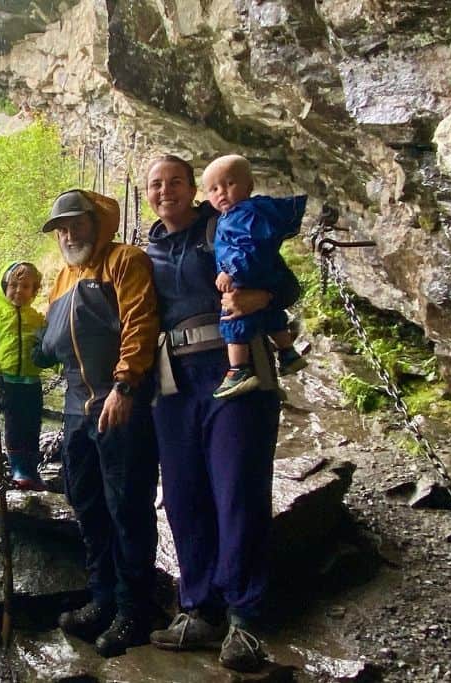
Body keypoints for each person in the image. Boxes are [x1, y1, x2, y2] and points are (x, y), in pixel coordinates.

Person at [144, 155, 300, 673]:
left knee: (237, 490)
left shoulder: (226, 228)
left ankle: (245, 618)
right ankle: (200, 607)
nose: (165, 191)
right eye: (155, 184)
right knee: (185, 496)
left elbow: (285, 282)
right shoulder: (146, 250)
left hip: (234, 369)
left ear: (194, 189)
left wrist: (264, 295)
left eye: (175, 182)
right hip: (173, 381)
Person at [33, 189, 161, 657]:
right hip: (75, 406)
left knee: (126, 505)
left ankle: (134, 611)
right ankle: (102, 598)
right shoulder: (63, 278)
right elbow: (51, 344)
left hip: (118, 402)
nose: (68, 234)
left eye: (75, 224)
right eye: (61, 229)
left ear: (96, 222)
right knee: (86, 502)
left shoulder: (125, 261)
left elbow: (139, 323)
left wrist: (126, 385)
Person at [201, 154, 308, 398]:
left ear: (248, 186)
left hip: (242, 281)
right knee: (272, 317)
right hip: (256, 278)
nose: (221, 193)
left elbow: (251, 247)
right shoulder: (240, 216)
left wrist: (233, 272)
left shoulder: (243, 216)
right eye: (214, 189)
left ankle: (238, 369)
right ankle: (288, 352)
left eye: (229, 184)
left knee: (232, 320)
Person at [0, 261, 48, 490]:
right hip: (7, 382)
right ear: (4, 287)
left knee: (32, 423)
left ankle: (31, 469)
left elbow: (46, 346)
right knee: (14, 425)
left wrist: (59, 366)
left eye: (25, 286)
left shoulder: (36, 318)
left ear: (34, 291)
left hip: (31, 381)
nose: (18, 291)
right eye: (14, 285)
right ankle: (18, 468)